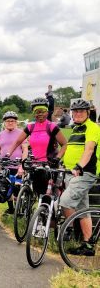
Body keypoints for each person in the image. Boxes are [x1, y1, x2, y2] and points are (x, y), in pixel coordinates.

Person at [59, 99, 100, 256]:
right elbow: (71, 148)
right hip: (71, 172)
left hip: (84, 172)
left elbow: (89, 150)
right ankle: (88, 245)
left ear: (88, 113)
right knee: (83, 210)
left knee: (65, 201)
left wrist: (79, 166)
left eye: (81, 111)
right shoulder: (76, 128)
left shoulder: (92, 127)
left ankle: (68, 230)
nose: (77, 114)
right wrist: (58, 159)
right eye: (75, 111)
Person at [7, 98, 67, 195]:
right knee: (37, 193)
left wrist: (58, 158)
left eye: (42, 111)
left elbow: (64, 144)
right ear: (34, 113)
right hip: (35, 165)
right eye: (36, 111)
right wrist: (7, 154)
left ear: (47, 112)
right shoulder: (31, 127)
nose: (40, 114)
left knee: (49, 195)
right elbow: (17, 141)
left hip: (50, 165)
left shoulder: (52, 126)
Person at [0, 111, 28, 214]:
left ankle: (19, 210)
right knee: (7, 189)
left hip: (17, 166)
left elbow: (25, 150)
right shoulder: (1, 134)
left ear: (16, 122)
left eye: (12, 121)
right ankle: (11, 209)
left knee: (17, 189)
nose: (10, 123)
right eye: (8, 121)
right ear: (4, 122)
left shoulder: (21, 133)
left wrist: (22, 165)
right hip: (4, 166)